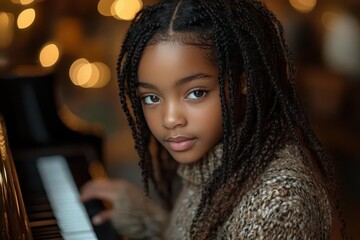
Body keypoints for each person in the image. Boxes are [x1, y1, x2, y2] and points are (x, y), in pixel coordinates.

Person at [80, 0, 346, 239]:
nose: (170, 119)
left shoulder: (278, 203)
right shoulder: (216, 159)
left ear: (242, 82)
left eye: (195, 93)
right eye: (151, 97)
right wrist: (151, 221)